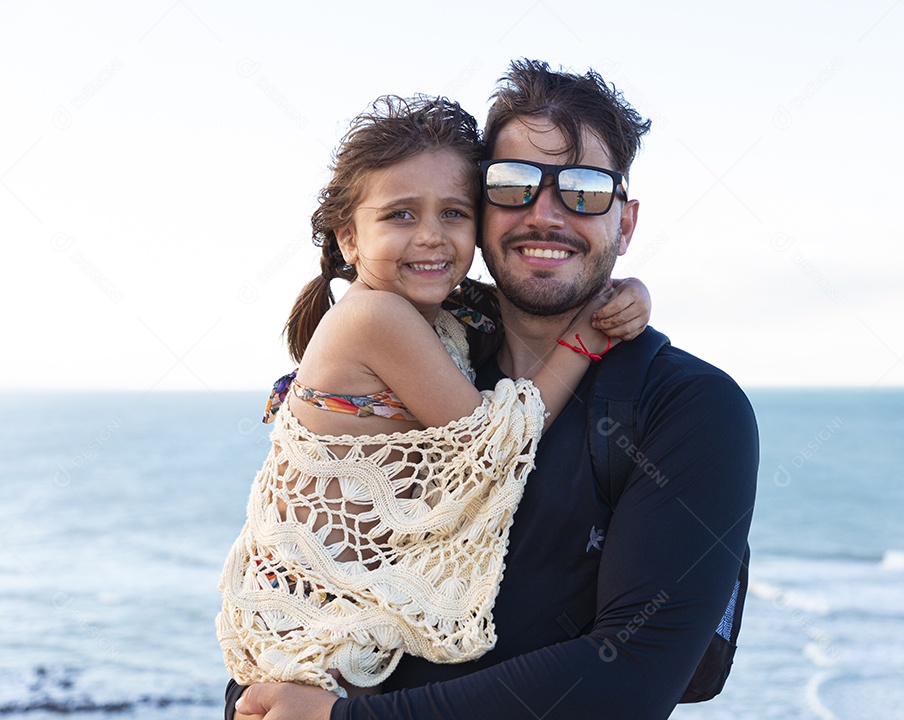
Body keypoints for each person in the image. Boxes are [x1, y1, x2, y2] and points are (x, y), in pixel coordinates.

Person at [231, 59, 757, 720]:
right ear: (485, 213)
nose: (546, 214)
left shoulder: (686, 407)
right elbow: (284, 605)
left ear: (625, 224)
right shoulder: (426, 363)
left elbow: (632, 675)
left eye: (585, 190)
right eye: (513, 185)